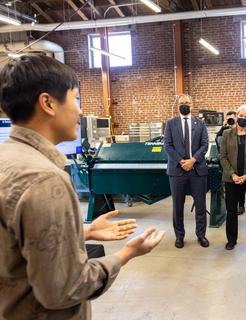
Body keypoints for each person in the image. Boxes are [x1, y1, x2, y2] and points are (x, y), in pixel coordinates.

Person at [0, 54, 164, 319]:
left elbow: (18, 246)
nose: (80, 111)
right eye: (75, 98)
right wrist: (125, 254)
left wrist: (83, 231)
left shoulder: (7, 159)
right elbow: (65, 288)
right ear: (48, 103)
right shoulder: (46, 179)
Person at [164, 94, 210, 249]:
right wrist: (181, 161)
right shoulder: (170, 123)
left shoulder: (200, 123)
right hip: (177, 170)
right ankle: (179, 236)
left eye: (187, 103)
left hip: (197, 169)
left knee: (200, 205)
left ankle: (201, 235)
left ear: (192, 105)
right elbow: (168, 146)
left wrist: (192, 160)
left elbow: (204, 145)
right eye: (181, 103)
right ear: (178, 106)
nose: (184, 105)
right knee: (177, 205)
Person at [220, 105, 246, 250]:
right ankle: (231, 239)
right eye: (241, 116)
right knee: (231, 210)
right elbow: (223, 157)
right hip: (231, 179)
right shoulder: (227, 134)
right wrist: (232, 174)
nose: (243, 119)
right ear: (236, 116)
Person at [216, 111, 246, 215]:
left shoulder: (241, 129)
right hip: (229, 162)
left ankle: (241, 205)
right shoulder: (226, 131)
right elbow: (217, 139)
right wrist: (223, 126)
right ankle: (231, 206)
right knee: (230, 185)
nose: (231, 121)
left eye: (232, 119)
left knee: (241, 185)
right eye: (228, 119)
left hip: (240, 161)